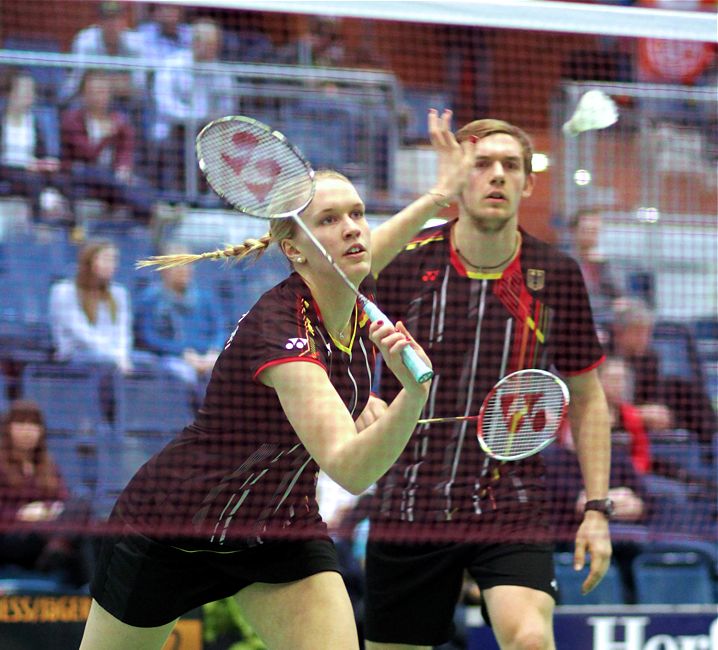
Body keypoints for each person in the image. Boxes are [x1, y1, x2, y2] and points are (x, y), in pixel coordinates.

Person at [78, 110, 474, 649]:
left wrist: (437, 197)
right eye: (331, 220)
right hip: (174, 527)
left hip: (276, 525)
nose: (354, 228)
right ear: (294, 248)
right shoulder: (281, 332)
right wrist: (414, 395)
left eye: (357, 213)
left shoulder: (350, 295)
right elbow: (351, 467)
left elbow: (376, 247)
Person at [363, 117, 613, 649]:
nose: (496, 175)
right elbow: (332, 321)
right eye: (481, 164)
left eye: (511, 166)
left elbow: (590, 401)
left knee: (528, 638)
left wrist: (596, 509)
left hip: (509, 500)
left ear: (528, 184)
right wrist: (359, 397)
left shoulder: (557, 275)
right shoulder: (405, 262)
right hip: (409, 504)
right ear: (459, 177)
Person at [0, 400, 91, 587]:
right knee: (78, 536)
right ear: (7, 428)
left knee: (82, 505)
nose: (27, 430)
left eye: (33, 424)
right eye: (21, 423)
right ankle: (95, 598)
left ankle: (58, 550)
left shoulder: (48, 465)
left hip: (46, 533)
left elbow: (65, 504)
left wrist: (45, 510)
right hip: (12, 536)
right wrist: (22, 514)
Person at [150, 19, 235, 192]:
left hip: (209, 131)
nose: (213, 49)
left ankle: (210, 198)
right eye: (209, 44)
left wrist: (209, 119)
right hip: (174, 128)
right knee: (181, 140)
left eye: (215, 44)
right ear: (195, 42)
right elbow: (164, 103)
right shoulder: (172, 64)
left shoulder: (221, 72)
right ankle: (174, 195)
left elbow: (228, 105)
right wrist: (193, 117)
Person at [134, 242, 226, 399]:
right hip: (170, 358)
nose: (185, 271)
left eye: (188, 265)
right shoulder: (151, 299)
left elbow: (220, 330)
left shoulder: (205, 298)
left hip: (206, 357)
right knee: (185, 375)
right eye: (179, 266)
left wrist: (214, 351)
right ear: (165, 271)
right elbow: (147, 338)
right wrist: (182, 353)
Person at [61, 70, 155, 222]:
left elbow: (127, 147)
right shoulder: (72, 120)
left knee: (140, 184)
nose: (100, 97)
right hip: (81, 172)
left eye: (104, 92)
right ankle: (150, 213)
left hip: (110, 177)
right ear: (84, 94)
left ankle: (153, 214)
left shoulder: (118, 120)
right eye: (95, 92)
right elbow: (87, 154)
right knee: (106, 178)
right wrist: (105, 137)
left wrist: (123, 167)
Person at [49, 239, 133, 374]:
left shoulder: (119, 293)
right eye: (106, 260)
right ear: (89, 262)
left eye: (114, 260)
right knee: (105, 364)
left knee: (148, 363)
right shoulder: (64, 291)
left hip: (114, 355)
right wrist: (114, 356)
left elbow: (123, 331)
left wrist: (122, 354)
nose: (112, 265)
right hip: (75, 354)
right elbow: (80, 333)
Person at [0, 70, 69, 221]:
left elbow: (41, 153)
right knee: (32, 180)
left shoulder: (34, 121)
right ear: (11, 93)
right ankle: (39, 224)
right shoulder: (2, 120)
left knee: (62, 179)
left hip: (32, 170)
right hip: (7, 171)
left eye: (31, 91)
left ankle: (73, 228)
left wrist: (47, 162)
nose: (29, 95)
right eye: (24, 90)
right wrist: (25, 166)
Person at [59, 0, 145, 109]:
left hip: (125, 103)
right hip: (86, 101)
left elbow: (139, 87)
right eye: (107, 19)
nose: (112, 24)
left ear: (124, 21)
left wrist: (99, 83)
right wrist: (119, 83)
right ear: (99, 22)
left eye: (116, 18)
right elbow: (78, 83)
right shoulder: (85, 41)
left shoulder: (135, 43)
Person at [568, 208, 623, 327]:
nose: (591, 235)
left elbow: (619, 296)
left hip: (606, 319)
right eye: (586, 230)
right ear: (574, 231)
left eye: (594, 231)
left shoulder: (606, 264)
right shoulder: (563, 262)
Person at [599, 356, 652, 475]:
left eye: (622, 380)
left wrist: (632, 473)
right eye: (613, 379)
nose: (619, 385)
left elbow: (641, 454)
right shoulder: (580, 413)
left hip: (628, 477)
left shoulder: (631, 416)